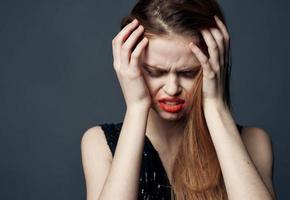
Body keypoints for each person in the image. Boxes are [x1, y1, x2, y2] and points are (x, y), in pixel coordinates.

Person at [81, 0, 276, 199]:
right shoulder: (99, 144)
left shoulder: (254, 142)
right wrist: (136, 107)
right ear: (130, 65)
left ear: (215, 65)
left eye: (189, 73)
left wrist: (215, 107)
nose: (172, 88)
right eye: (155, 72)